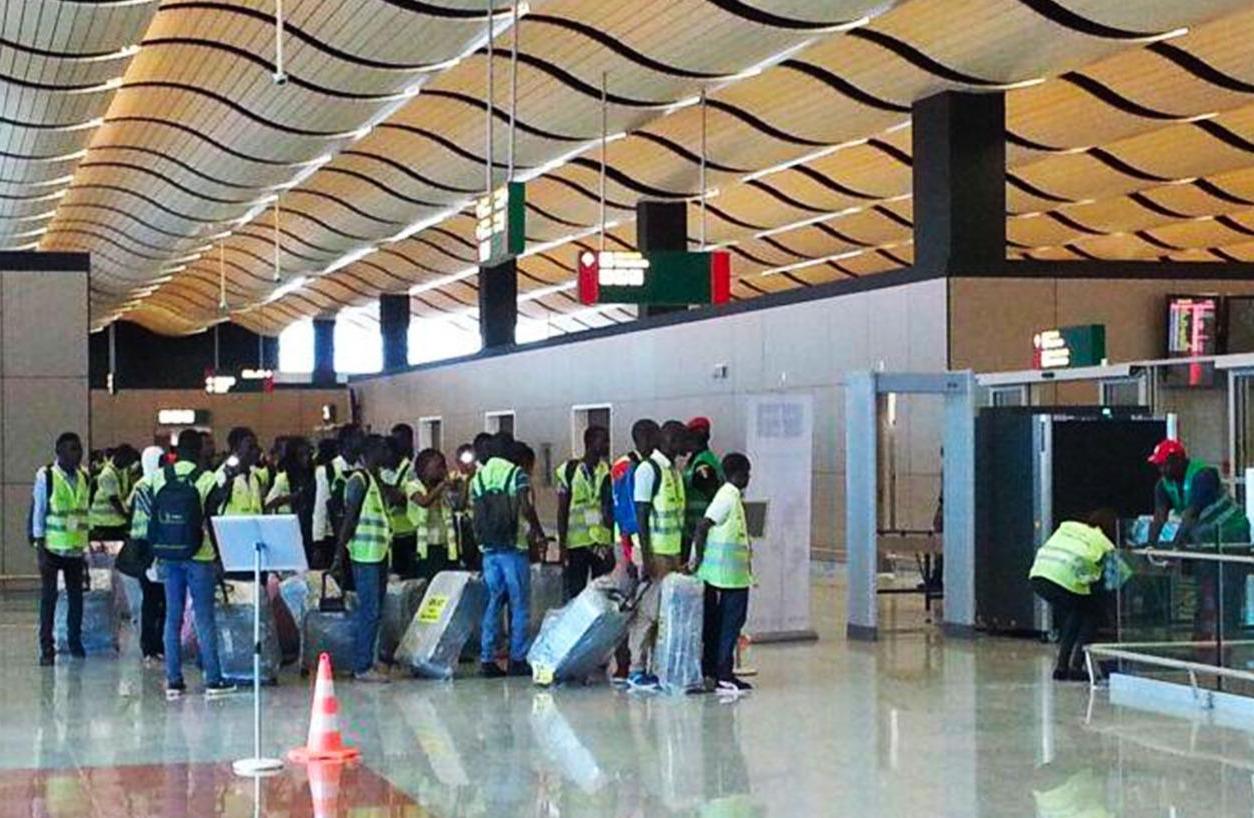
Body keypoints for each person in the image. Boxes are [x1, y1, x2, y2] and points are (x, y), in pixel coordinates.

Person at [151, 429, 235, 699]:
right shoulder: (206, 478)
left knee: (173, 616)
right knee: (204, 616)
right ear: (199, 449)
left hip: (169, 553)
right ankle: (213, 678)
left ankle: (174, 680)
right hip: (200, 554)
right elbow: (210, 518)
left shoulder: (160, 476)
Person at [1147, 439, 1251, 642]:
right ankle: (1203, 636)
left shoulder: (1204, 475)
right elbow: (1159, 515)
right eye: (1158, 465)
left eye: (1164, 464)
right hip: (1206, 540)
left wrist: (1175, 548)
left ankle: (1229, 637)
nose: (1161, 469)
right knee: (1204, 586)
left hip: (1232, 534)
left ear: (1178, 460)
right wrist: (1152, 544)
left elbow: (1191, 513)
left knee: (1229, 589)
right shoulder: (1163, 485)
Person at [473, 432, 541, 677]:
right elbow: (525, 506)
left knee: (493, 602)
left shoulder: (478, 478)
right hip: (514, 548)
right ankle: (517, 658)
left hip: (489, 550)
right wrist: (539, 532)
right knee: (519, 602)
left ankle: (487, 658)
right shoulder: (516, 474)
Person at [626, 420, 687, 691]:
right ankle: (636, 668)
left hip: (671, 551)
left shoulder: (672, 470)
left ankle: (653, 666)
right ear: (669, 440)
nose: (685, 446)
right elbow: (641, 513)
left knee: (664, 612)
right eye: (681, 440)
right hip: (655, 552)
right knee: (648, 612)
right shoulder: (648, 470)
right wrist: (647, 555)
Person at [690, 453, 755, 694]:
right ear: (736, 473)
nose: (748, 477)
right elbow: (703, 526)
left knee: (723, 625)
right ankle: (723, 674)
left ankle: (717, 671)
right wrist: (697, 559)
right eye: (746, 473)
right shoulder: (727, 496)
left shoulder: (732, 496)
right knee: (730, 625)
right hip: (727, 576)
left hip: (728, 575)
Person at [329, 434, 392, 683]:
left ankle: (370, 658)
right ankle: (362, 664)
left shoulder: (375, 480)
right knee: (369, 610)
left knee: (376, 610)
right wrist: (338, 554)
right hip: (365, 556)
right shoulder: (359, 480)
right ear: (368, 453)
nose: (386, 454)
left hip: (379, 554)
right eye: (381, 449)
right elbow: (350, 518)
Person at [1028, 510, 1118, 681]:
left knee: (1077, 611)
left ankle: (1062, 667)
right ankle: (1077, 665)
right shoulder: (1105, 543)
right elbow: (1117, 577)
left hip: (1039, 575)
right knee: (1092, 614)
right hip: (1061, 580)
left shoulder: (1069, 527)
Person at [32, 432, 91, 666]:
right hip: (52, 549)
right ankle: (47, 647)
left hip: (75, 548)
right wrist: (39, 545)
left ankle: (74, 641)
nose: (77, 454)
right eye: (72, 449)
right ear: (60, 452)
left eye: (79, 449)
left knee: (77, 598)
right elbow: (39, 510)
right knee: (49, 599)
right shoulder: (46, 476)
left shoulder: (85, 475)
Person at [556, 425, 613, 600]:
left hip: (601, 541)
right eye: (603, 440)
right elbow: (562, 510)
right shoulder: (569, 470)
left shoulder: (609, 471)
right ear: (590, 442)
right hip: (577, 543)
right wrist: (562, 547)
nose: (607, 445)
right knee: (576, 590)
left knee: (602, 591)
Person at [127, 445, 168, 662]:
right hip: (146, 547)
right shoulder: (144, 485)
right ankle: (149, 645)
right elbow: (152, 512)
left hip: (156, 545)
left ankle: (157, 643)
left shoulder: (155, 483)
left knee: (160, 597)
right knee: (152, 598)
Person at [313, 425, 363, 570]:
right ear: (347, 441)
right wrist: (318, 542)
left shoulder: (363, 468)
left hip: (359, 536)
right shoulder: (327, 470)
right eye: (358, 436)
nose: (362, 440)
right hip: (334, 535)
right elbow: (320, 509)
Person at [405, 449, 458, 580]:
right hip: (423, 547)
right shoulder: (413, 486)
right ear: (424, 468)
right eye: (438, 466)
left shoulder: (442, 488)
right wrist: (442, 485)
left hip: (444, 545)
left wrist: (460, 486)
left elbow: (458, 505)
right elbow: (424, 501)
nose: (443, 470)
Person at [682, 417, 724, 560]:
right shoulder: (694, 461)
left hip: (700, 532)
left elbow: (712, 494)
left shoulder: (703, 463)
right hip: (693, 530)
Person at [379, 435, 418, 578]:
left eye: (384, 451)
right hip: (392, 534)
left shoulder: (411, 471)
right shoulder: (384, 472)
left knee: (410, 579)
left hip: (410, 533)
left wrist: (384, 487)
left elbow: (406, 500)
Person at [88, 444, 139, 542]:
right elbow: (114, 500)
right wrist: (128, 518)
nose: (129, 464)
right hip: (103, 524)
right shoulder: (107, 474)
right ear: (120, 457)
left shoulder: (123, 470)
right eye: (128, 461)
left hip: (117, 522)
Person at [216, 427, 263, 516]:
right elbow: (216, 504)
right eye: (250, 448)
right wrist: (228, 482)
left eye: (256, 447)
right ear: (235, 449)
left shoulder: (255, 476)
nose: (255, 451)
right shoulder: (222, 475)